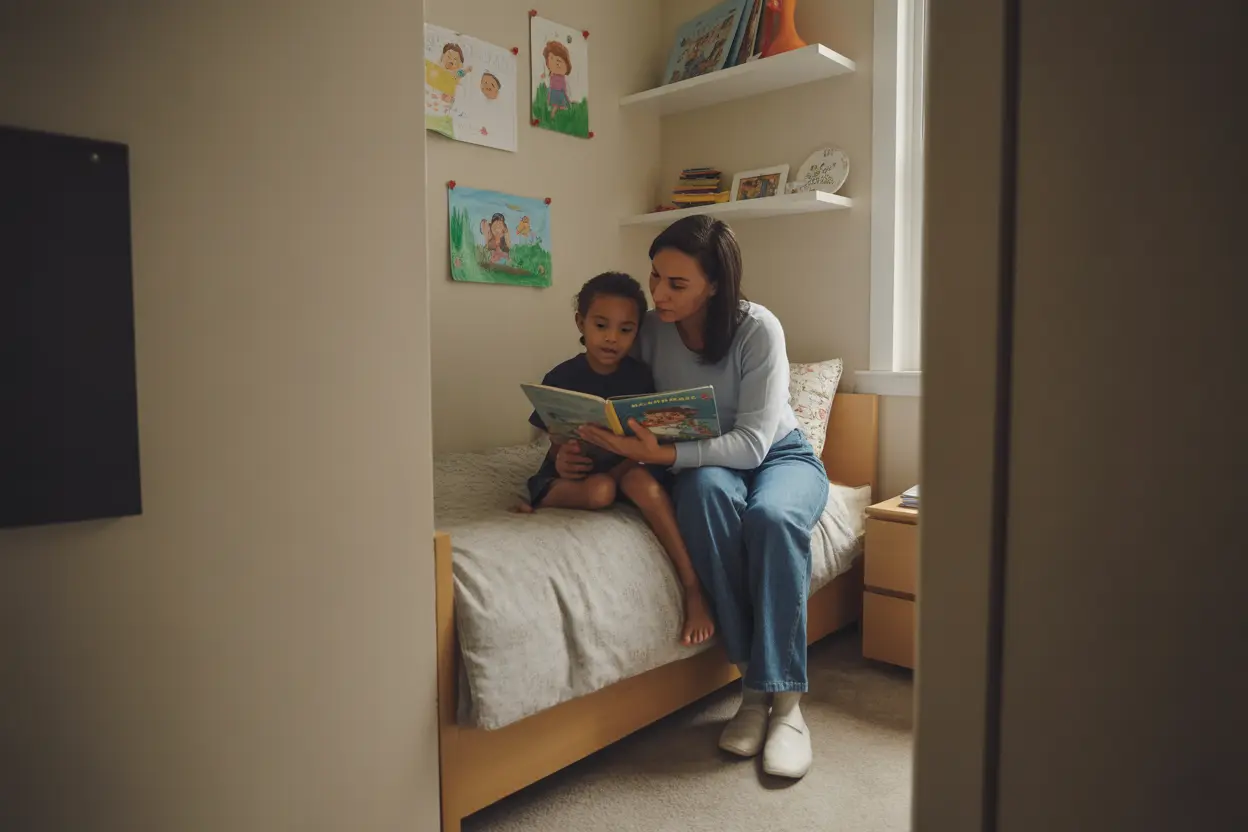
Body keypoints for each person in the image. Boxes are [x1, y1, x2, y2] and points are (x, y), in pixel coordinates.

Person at [572, 216, 828, 780]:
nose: (658, 294)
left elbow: (754, 443)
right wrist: (570, 443)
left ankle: (788, 706)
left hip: (779, 454)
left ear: (714, 284)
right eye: (655, 277)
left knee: (772, 518)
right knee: (703, 495)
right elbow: (606, 380)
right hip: (704, 462)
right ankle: (753, 692)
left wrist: (664, 456)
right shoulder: (652, 328)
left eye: (677, 283)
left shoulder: (758, 329)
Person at [518, 271, 716, 647]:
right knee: (598, 492)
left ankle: (692, 587)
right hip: (575, 471)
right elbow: (554, 440)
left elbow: (644, 441)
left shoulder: (640, 377)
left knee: (635, 483)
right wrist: (562, 459)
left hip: (626, 466)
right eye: (601, 325)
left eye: (625, 330)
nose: (612, 337)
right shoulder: (561, 375)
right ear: (581, 322)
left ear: (637, 332)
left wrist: (624, 466)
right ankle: (540, 500)